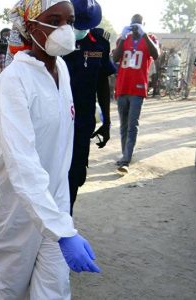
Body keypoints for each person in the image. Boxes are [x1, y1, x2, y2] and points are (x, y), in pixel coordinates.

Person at [0, 1, 100, 299]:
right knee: (10, 287)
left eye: (69, 21)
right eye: (54, 20)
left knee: (54, 289)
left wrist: (60, 221)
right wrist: (60, 229)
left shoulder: (61, 68)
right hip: (15, 207)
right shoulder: (13, 81)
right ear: (31, 26)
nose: (65, 29)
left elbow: (59, 146)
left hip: (55, 201)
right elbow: (22, 164)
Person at [63, 0, 114, 214]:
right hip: (54, 121)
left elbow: (102, 83)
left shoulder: (99, 44)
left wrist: (107, 121)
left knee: (75, 175)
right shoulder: (55, 41)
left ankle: (66, 223)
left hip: (82, 124)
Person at [112, 14, 159, 173]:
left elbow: (156, 54)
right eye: (134, 25)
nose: (136, 28)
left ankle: (125, 160)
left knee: (133, 125)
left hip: (137, 89)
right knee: (123, 126)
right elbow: (115, 57)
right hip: (122, 88)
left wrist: (144, 34)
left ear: (143, 25)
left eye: (138, 25)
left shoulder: (150, 39)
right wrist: (123, 37)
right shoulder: (124, 39)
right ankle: (125, 154)